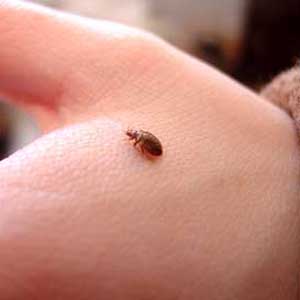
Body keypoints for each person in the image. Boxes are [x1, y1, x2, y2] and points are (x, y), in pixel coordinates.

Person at [0, 1, 299, 299]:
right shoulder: (140, 139)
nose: (131, 137)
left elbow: (151, 149)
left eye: (132, 134)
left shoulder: (143, 141)